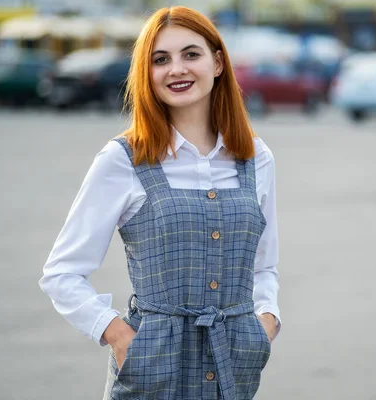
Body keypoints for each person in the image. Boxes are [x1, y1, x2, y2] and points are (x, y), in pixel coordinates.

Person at [39, 6, 281, 400]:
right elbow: (61, 273)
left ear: (217, 63)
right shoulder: (123, 159)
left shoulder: (255, 157)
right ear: (146, 73)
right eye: (160, 59)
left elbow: (264, 265)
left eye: (191, 54)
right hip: (152, 368)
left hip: (234, 367)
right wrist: (118, 335)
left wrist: (265, 323)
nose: (176, 69)